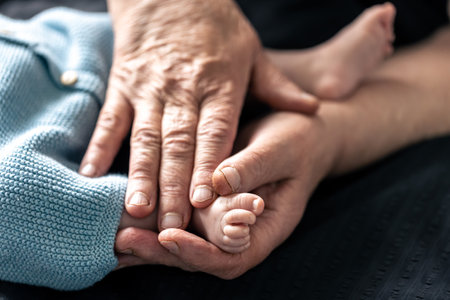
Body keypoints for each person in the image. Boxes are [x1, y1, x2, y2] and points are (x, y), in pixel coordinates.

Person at [0, 2, 397, 290]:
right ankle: (181, 210)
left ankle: (303, 70)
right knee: (14, 200)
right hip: (30, 143)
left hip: (46, 44)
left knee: (132, 44)